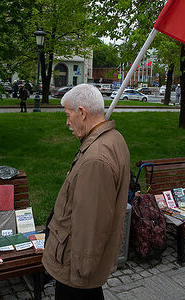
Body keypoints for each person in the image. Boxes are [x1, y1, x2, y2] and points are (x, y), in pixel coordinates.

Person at [42, 83, 130, 299]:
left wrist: (82, 271)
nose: (67, 122)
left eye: (68, 114)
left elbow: (91, 223)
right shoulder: (111, 139)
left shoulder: (96, 159)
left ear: (82, 112)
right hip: (78, 263)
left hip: (75, 267)